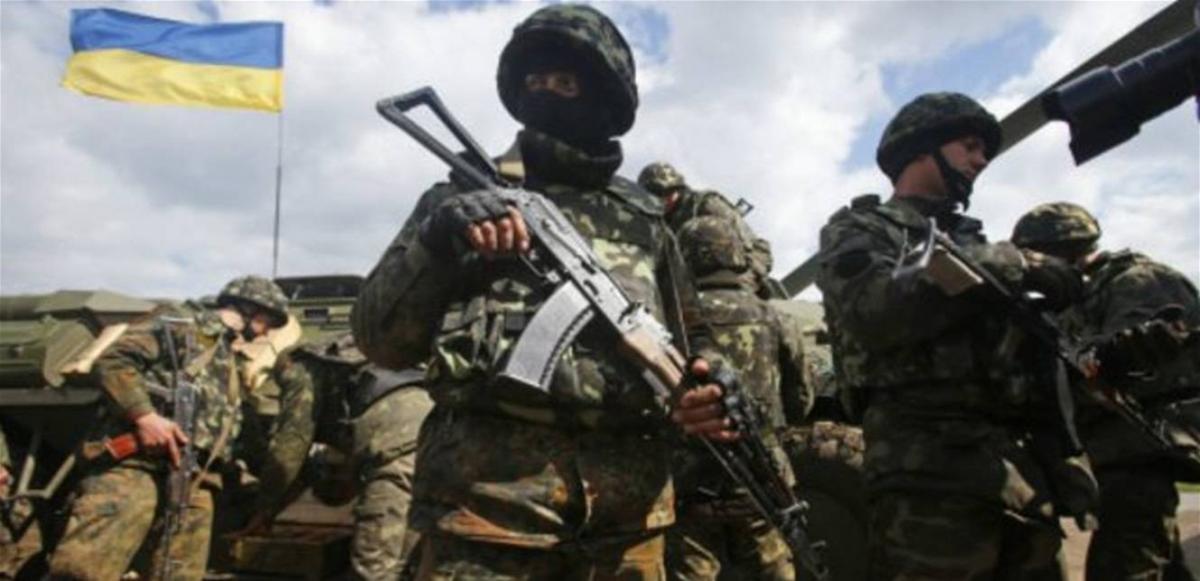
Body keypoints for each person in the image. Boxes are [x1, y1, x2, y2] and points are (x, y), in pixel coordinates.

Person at [352, 4, 730, 578]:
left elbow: (693, 337)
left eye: (565, 82)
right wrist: (437, 242)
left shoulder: (646, 221)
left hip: (628, 526)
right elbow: (379, 340)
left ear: (604, 95)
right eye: (535, 80)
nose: (547, 92)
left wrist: (713, 379)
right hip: (486, 516)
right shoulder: (459, 199)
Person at [815, 92, 1096, 580]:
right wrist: (1013, 263)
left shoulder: (973, 243)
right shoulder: (862, 229)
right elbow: (873, 311)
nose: (980, 160)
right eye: (969, 146)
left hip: (1017, 477)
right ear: (920, 149)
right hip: (929, 482)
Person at [48, 276, 289, 581]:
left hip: (195, 480)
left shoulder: (228, 359)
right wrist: (145, 417)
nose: (267, 331)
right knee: (86, 570)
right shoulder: (179, 322)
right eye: (269, 321)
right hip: (137, 467)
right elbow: (113, 360)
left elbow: (243, 430)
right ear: (250, 308)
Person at [1012, 202, 1200, 581]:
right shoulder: (1081, 297)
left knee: (1121, 565)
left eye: (1038, 259)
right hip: (1118, 452)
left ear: (1064, 250)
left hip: (1145, 449)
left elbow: (1127, 359)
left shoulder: (1140, 281)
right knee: (1156, 559)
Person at [667, 215, 811, 581]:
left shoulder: (673, 321)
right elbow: (801, 399)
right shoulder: (774, 316)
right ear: (736, 254)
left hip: (689, 482)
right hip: (761, 478)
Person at [247, 333, 433, 581]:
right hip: (435, 437)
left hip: (399, 444)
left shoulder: (300, 368)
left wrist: (265, 508)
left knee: (374, 567)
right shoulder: (356, 366)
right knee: (408, 563)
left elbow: (290, 447)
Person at [639, 162, 776, 298]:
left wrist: (751, 276)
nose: (659, 200)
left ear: (675, 187)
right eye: (652, 196)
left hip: (733, 278)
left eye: (661, 193)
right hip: (691, 287)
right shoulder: (659, 223)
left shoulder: (705, 204)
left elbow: (756, 247)